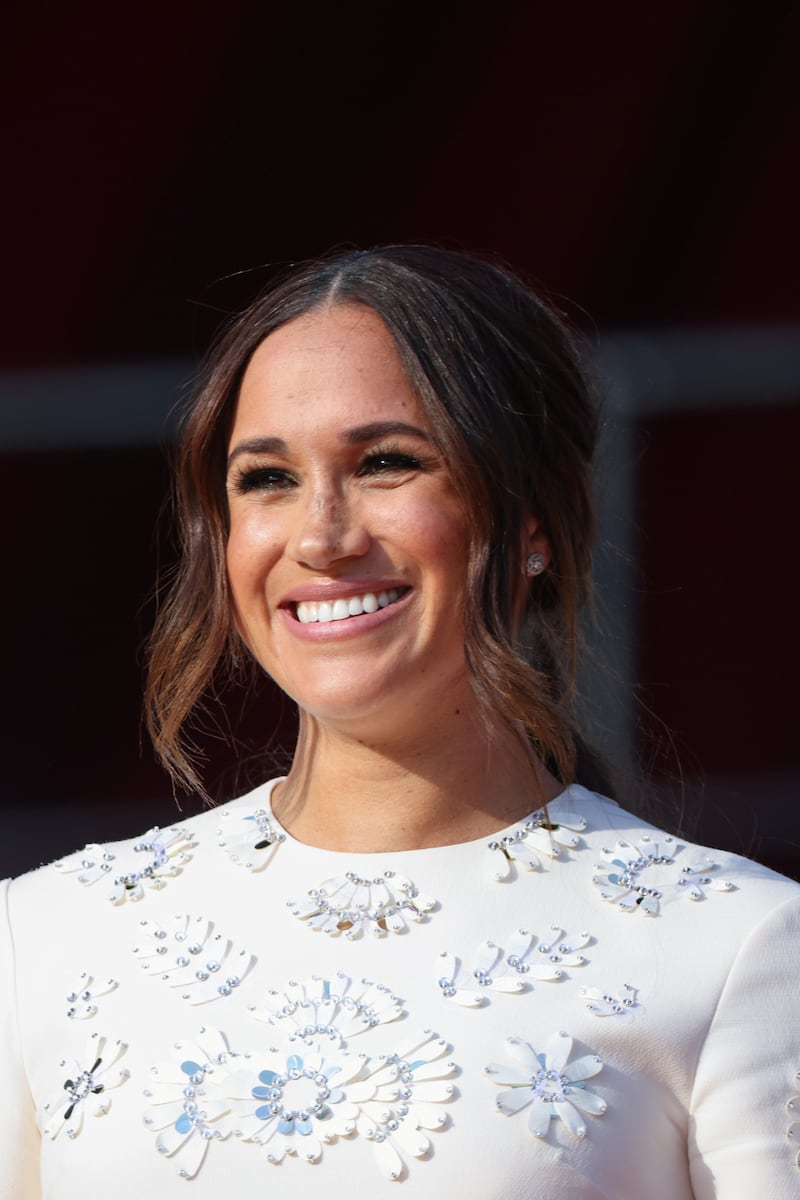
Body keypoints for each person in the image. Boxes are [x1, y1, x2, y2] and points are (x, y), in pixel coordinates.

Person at [2, 246, 797, 1199]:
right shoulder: (45, 937)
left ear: (533, 518)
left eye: (386, 463)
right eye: (267, 479)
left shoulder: (734, 951)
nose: (321, 536)